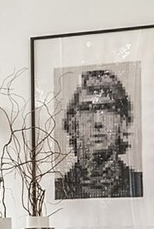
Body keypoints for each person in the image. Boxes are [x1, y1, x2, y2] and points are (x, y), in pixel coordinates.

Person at [56, 69, 143, 200]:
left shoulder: (140, 186)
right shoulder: (58, 192)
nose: (97, 121)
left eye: (107, 109)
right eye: (86, 110)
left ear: (123, 122)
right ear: (73, 124)